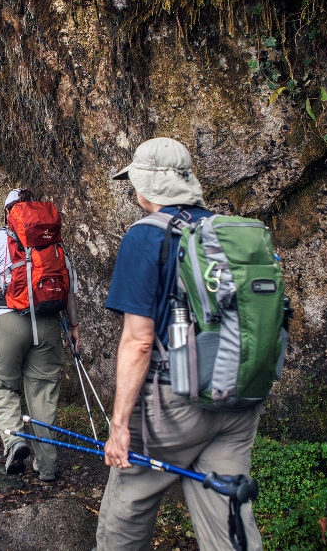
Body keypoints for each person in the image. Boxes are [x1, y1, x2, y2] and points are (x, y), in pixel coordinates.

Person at [95, 137, 263, 551]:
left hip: (174, 405)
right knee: (228, 515)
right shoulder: (229, 232)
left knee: (127, 507)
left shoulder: (146, 236)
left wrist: (119, 426)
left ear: (146, 184)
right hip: (238, 398)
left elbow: (139, 341)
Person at [0, 188, 79, 480]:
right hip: (48, 324)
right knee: (43, 395)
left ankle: (15, 441)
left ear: (7, 212)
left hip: (7, 321)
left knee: (1, 386)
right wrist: (74, 326)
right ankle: (47, 468)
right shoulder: (54, 241)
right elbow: (68, 288)